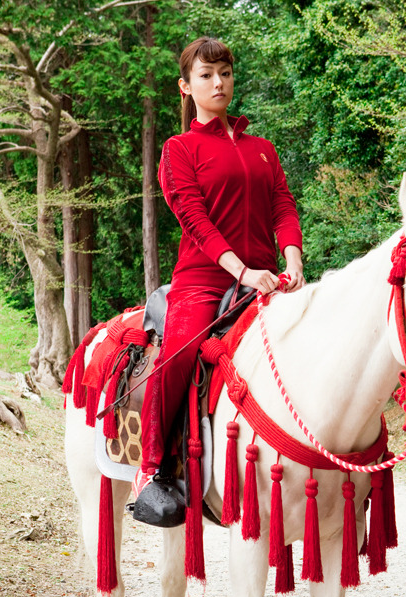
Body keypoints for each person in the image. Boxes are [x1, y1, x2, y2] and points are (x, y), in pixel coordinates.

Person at [132, 36, 305, 524]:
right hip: (204, 281)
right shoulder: (179, 149)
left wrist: (292, 260)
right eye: (206, 76)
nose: (218, 83)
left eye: (225, 73)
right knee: (180, 352)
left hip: (268, 279)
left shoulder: (263, 149)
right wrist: (242, 270)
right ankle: (151, 470)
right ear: (186, 87)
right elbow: (194, 219)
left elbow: (282, 207)